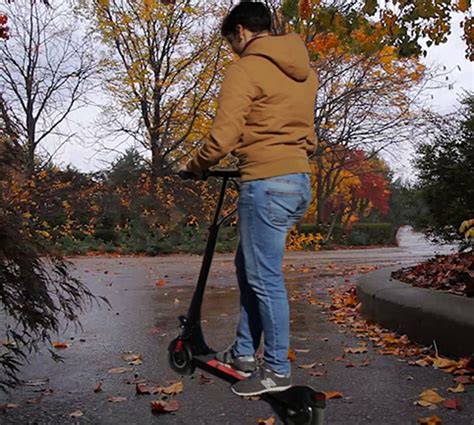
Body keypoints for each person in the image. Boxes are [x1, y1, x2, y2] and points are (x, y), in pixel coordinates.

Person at [183, 1, 318, 397]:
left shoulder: (245, 68)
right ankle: (244, 353)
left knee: (265, 279)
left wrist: (196, 165)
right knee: (250, 270)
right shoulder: (304, 72)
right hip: (296, 180)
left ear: (240, 31)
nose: (232, 50)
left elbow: (223, 137)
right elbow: (305, 134)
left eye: (230, 42)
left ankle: (277, 369)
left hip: (266, 181)